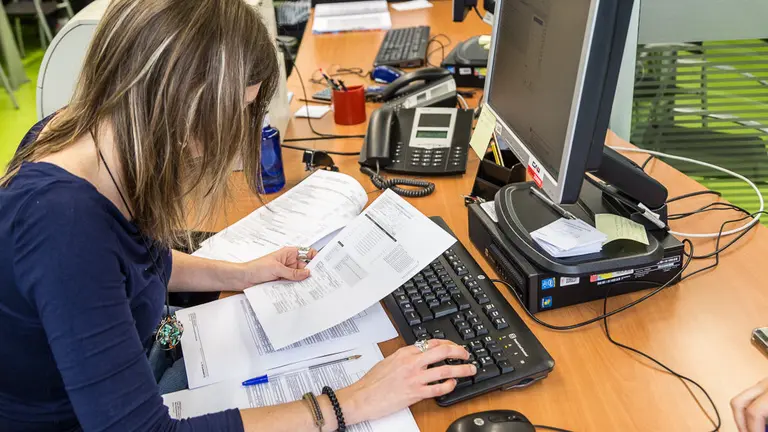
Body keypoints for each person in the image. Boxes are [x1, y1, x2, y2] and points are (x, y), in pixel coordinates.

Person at [0, 0, 477, 430]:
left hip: (144, 347)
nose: (240, 128)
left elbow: (135, 263)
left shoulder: (89, 132)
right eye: (240, 108)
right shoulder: (65, 227)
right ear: (185, 103)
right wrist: (351, 401)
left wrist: (248, 273)